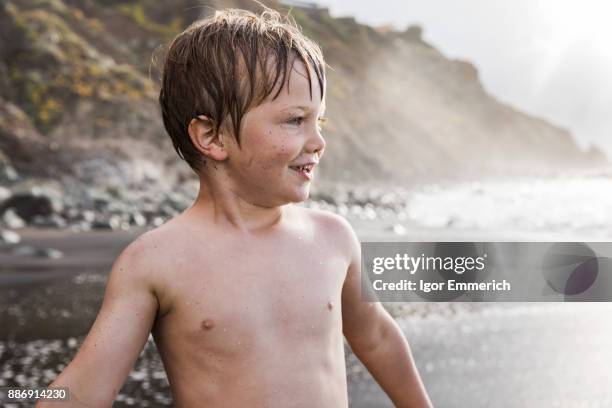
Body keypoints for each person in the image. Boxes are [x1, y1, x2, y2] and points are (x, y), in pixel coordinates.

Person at [38, 5, 432, 407]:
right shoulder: (156, 263)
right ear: (212, 137)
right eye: (295, 120)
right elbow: (81, 392)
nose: (318, 140)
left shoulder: (333, 238)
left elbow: (378, 338)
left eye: (320, 121)